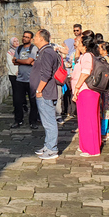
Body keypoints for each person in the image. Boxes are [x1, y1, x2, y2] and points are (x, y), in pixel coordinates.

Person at [31, 29, 61, 160]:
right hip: (44, 92)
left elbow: (47, 74)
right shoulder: (44, 51)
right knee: (46, 121)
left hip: (45, 92)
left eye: (36, 37)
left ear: (42, 39)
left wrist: (39, 90)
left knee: (49, 122)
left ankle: (52, 149)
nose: (34, 39)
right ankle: (48, 145)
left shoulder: (47, 53)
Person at [72, 30, 101, 157]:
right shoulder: (84, 56)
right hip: (84, 91)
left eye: (78, 42)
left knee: (89, 120)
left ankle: (92, 149)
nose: (76, 44)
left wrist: (77, 87)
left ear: (84, 45)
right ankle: (85, 145)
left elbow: (86, 72)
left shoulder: (88, 56)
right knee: (84, 119)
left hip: (86, 90)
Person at [12, 31, 39, 129]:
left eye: (27, 37)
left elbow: (28, 61)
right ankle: (18, 120)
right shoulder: (19, 48)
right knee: (17, 101)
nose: (25, 38)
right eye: (24, 37)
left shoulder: (33, 48)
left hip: (31, 80)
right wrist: (24, 62)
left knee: (33, 101)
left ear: (31, 39)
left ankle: (33, 121)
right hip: (20, 79)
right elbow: (14, 61)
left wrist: (19, 61)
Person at [98, 40, 109, 141]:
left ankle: (105, 132)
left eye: (100, 48)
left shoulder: (105, 59)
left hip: (105, 87)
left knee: (105, 109)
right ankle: (105, 130)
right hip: (106, 87)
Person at [6, 36, 21, 127]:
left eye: (17, 40)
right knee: (16, 92)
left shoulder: (21, 50)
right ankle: (16, 108)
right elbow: (11, 63)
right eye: (14, 41)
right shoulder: (9, 52)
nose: (16, 42)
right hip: (13, 74)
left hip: (21, 73)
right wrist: (16, 71)